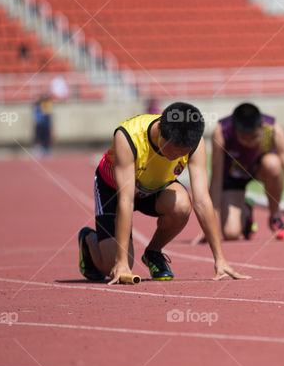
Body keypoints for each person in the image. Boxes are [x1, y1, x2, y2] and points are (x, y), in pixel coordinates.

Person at [77, 102, 248, 284]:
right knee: (114, 265)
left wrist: (219, 258)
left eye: (181, 153)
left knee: (182, 204)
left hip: (154, 188)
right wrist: (121, 263)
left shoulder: (194, 143)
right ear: (159, 129)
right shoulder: (127, 137)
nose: (175, 156)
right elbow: (125, 201)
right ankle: (89, 239)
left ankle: (153, 252)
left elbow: (202, 200)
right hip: (114, 190)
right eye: (171, 150)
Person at [200, 102, 284, 242]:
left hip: (260, 169)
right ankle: (246, 209)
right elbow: (217, 179)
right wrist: (209, 226)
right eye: (243, 138)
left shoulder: (275, 131)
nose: (248, 143)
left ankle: (275, 217)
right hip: (233, 176)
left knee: (273, 164)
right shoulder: (221, 132)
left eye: (254, 137)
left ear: (261, 126)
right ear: (235, 130)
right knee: (231, 233)